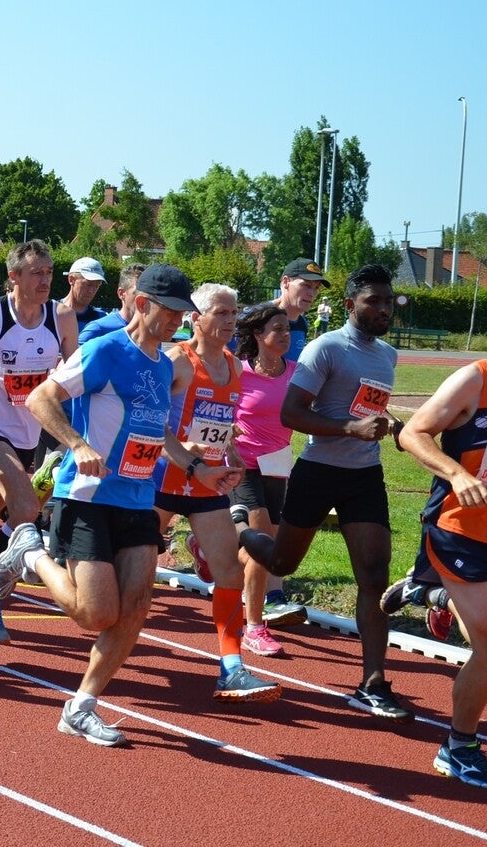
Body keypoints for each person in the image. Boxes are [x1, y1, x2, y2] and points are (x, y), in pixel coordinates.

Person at [0, 263, 241, 746]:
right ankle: (30, 553)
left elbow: (156, 430)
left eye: (183, 313)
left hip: (138, 499)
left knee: (137, 606)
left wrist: (196, 467)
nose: (178, 321)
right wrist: (77, 444)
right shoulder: (105, 349)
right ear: (142, 304)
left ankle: (81, 706)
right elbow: (41, 398)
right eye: (170, 312)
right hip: (87, 496)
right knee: (95, 614)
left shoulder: (164, 365)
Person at [236, 263, 413, 720]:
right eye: (373, 301)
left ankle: (373, 682)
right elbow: (292, 414)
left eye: (388, 301)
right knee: (282, 563)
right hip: (317, 472)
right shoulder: (326, 348)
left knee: (373, 576)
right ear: (351, 304)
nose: (384, 309)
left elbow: (366, 404)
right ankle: (238, 531)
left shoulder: (388, 356)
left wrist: (390, 425)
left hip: (364, 476)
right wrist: (350, 428)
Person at [390, 289, 487, 790]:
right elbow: (413, 433)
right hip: (457, 532)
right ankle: (458, 748)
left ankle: (431, 593)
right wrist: (458, 474)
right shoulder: (475, 380)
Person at [158, 284, 281, 701]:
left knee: (229, 572)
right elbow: (151, 421)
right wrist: (184, 449)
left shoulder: (233, 366)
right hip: (161, 481)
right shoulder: (176, 360)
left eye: (234, 313)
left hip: (207, 485)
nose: (231, 320)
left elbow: (220, 421)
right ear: (196, 318)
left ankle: (231, 667)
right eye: (221, 313)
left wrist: (230, 453)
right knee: (129, 580)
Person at [0, 240, 71, 645]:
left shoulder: (61, 318)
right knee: (25, 508)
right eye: (37, 272)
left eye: (49, 272)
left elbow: (75, 371)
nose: (45, 280)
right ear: (14, 277)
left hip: (28, 432)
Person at [227, 303, 302, 659]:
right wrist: (228, 433)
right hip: (242, 465)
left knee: (270, 549)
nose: (285, 335)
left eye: (288, 329)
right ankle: (254, 628)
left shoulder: (296, 374)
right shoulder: (238, 371)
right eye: (278, 329)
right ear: (258, 334)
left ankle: (215, 546)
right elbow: (216, 408)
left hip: (278, 465)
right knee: (260, 545)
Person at [269, 258, 328, 361]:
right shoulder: (261, 318)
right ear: (286, 282)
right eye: (306, 285)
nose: (312, 293)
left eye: (316, 287)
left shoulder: (302, 323)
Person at [78, 263, 146, 345]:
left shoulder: (152, 330)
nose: (144, 299)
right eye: (138, 293)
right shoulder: (98, 329)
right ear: (121, 294)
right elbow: (74, 353)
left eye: (150, 294)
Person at [64, 257, 107, 327]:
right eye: (88, 284)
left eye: (97, 286)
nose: (91, 291)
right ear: (71, 280)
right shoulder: (50, 311)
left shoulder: (101, 319)